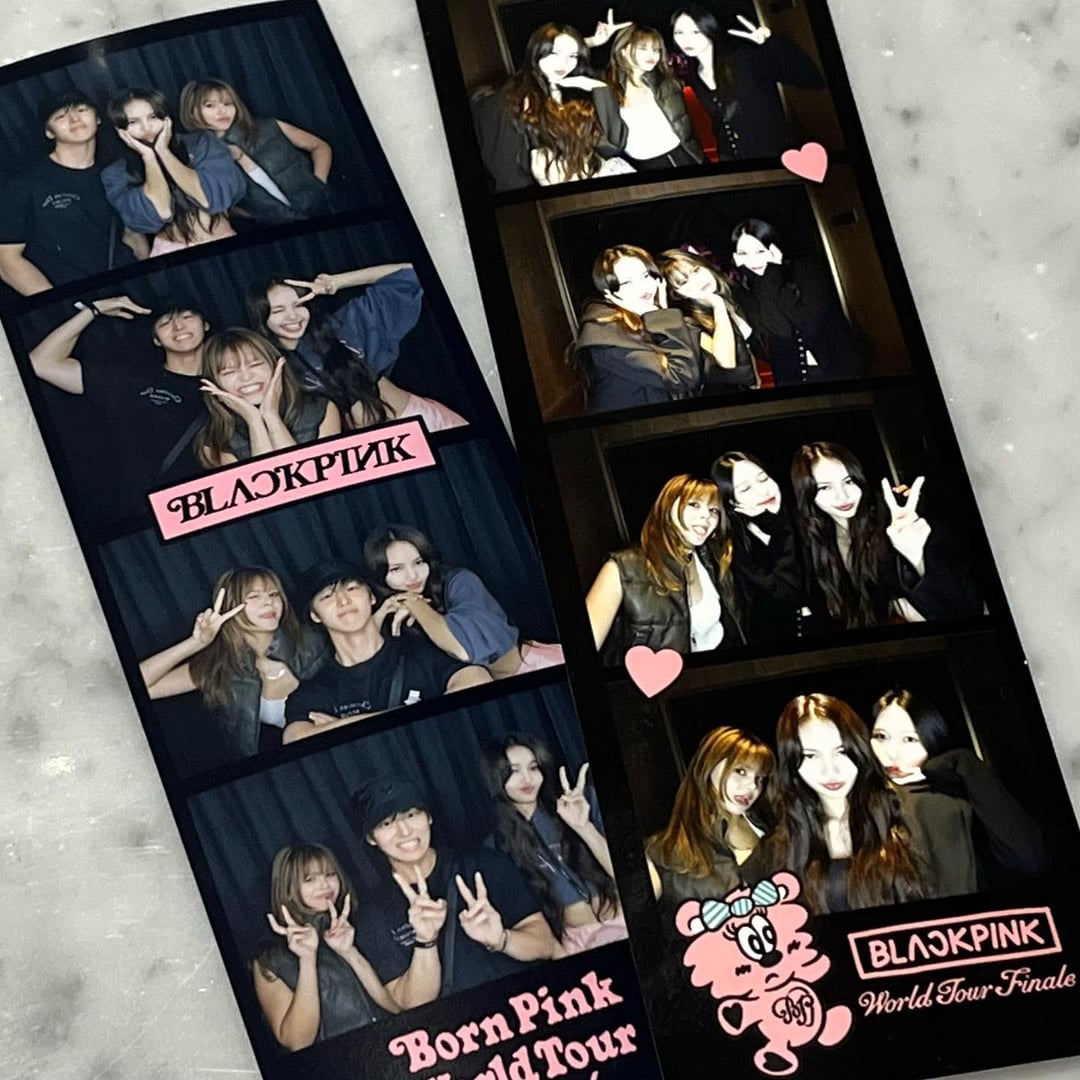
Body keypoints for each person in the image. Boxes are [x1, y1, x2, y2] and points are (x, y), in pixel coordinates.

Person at [351, 776, 558, 1006]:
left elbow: (546, 944)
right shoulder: (373, 914)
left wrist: (501, 939)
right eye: (386, 823)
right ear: (371, 838)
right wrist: (425, 941)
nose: (404, 830)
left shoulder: (485, 864)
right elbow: (410, 1004)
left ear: (428, 817)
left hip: (528, 1006)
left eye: (411, 814)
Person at [750, 693, 937, 914]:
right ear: (793, 764)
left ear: (858, 749)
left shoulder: (910, 815)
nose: (830, 770)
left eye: (841, 751)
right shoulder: (780, 846)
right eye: (810, 756)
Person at [283, 560, 492, 742]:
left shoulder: (420, 651)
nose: (343, 601)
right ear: (315, 615)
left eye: (352, 589)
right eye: (327, 596)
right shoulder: (317, 688)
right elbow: (295, 738)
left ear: (372, 598)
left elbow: (477, 679)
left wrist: (343, 726)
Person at [28, 293, 214, 495]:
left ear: (205, 325)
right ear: (156, 339)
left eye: (187, 317)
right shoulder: (130, 380)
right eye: (165, 322)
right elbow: (40, 363)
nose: (178, 326)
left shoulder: (231, 381)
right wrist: (94, 310)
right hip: (148, 502)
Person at [248, 264, 466, 432]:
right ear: (262, 318)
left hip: (423, 421)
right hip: (371, 451)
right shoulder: (268, 364)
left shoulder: (345, 326)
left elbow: (413, 273)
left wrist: (336, 282)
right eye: (278, 310)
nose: (292, 316)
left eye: (298, 305)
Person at [790, 441, 983, 630]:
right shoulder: (815, 539)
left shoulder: (897, 519)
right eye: (825, 487)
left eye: (848, 481)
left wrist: (916, 557)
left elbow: (966, 610)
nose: (843, 496)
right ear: (807, 494)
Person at [138, 566, 325, 761]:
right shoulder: (219, 667)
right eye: (254, 596)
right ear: (230, 607)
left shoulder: (313, 641)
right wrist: (196, 643)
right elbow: (140, 686)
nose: (268, 602)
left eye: (274, 594)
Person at [870, 689, 1048, 886]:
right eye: (881, 736)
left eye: (910, 739)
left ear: (931, 738)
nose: (891, 752)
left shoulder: (958, 795)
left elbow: (1028, 858)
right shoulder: (865, 800)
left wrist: (963, 763)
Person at [362, 525, 563, 680]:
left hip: (537, 666)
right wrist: (380, 616)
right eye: (397, 569)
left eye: (419, 562)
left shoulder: (460, 582)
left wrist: (415, 604)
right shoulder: (389, 608)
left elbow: (463, 648)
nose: (412, 575)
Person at [482, 735, 624, 954]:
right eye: (514, 771)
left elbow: (630, 873)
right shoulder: (497, 846)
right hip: (577, 942)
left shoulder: (577, 806)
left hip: (622, 920)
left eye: (533, 767)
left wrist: (584, 827)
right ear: (496, 778)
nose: (527, 778)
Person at [586, 473, 742, 662]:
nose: (706, 516)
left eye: (714, 510)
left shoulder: (714, 563)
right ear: (667, 507)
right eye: (694, 504)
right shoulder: (622, 567)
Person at [254, 843, 398, 1049]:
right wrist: (307, 958)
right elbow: (297, 1042)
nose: (324, 884)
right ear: (288, 890)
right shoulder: (270, 959)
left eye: (330, 874)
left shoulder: (364, 924)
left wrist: (350, 953)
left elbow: (398, 1005)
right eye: (310, 879)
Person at [0, 89, 142, 294]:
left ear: (98, 118)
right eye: (61, 116)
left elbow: (133, 234)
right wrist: (69, 304)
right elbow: (6, 260)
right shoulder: (23, 185)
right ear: (49, 132)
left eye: (82, 110)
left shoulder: (118, 173)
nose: (74, 119)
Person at [471, 22, 630, 191]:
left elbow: (613, 146)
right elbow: (508, 176)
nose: (563, 63)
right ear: (537, 51)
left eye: (573, 56)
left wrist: (600, 88)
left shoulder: (575, 93)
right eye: (554, 53)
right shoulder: (508, 100)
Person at [569, 245, 719, 414]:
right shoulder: (605, 332)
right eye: (628, 282)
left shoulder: (645, 315)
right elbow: (682, 377)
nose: (643, 287)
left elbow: (715, 364)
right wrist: (662, 317)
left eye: (645, 275)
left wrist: (661, 315)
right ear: (609, 291)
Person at [668, 6, 825, 160]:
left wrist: (771, 43)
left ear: (710, 29)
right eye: (679, 32)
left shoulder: (744, 59)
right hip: (729, 156)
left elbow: (812, 79)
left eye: (695, 32)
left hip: (772, 151)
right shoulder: (695, 75)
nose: (686, 40)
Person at [101, 88, 245, 255]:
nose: (146, 127)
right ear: (119, 130)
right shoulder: (116, 173)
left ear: (166, 117)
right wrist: (149, 157)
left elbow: (210, 199)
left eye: (153, 117)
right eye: (133, 122)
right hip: (169, 250)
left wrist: (163, 151)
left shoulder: (201, 143)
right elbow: (161, 211)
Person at [646, 726, 774, 904]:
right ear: (709, 765)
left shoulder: (772, 827)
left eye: (759, 778)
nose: (753, 786)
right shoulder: (662, 852)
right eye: (740, 771)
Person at [179, 77, 331, 225]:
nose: (222, 110)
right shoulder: (199, 156)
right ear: (192, 112)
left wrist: (318, 185)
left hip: (323, 208)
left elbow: (320, 147)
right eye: (210, 105)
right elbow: (214, 202)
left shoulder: (268, 125)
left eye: (227, 103)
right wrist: (256, 216)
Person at [729, 218, 864, 385]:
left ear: (775, 247)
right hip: (790, 377)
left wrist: (773, 273)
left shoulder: (807, 269)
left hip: (833, 370)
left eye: (760, 251)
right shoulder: (752, 284)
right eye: (743, 254)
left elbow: (808, 323)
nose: (753, 261)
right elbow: (774, 337)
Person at [194, 328, 341, 465]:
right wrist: (254, 421)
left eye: (255, 364)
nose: (246, 377)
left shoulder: (321, 409)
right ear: (213, 383)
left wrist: (271, 416)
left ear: (276, 365)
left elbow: (306, 477)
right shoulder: (214, 441)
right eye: (229, 372)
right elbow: (266, 481)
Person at [711, 450, 809, 642]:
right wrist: (778, 529)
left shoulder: (802, 519)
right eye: (746, 489)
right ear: (732, 501)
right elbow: (787, 593)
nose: (763, 491)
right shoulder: (734, 548)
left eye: (763, 479)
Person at [657, 248, 757, 393]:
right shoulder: (687, 322)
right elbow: (726, 361)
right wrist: (718, 305)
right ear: (677, 294)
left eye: (696, 270)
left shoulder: (734, 293)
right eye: (684, 282)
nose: (697, 281)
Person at [605, 24, 703, 170]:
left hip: (681, 155)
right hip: (640, 164)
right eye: (643, 48)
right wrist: (593, 42)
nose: (651, 55)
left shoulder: (665, 81)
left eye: (656, 50)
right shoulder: (607, 86)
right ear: (623, 50)